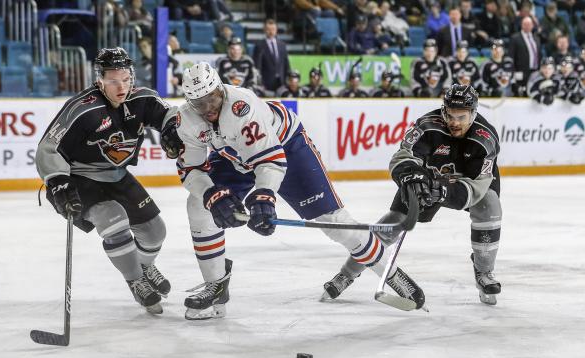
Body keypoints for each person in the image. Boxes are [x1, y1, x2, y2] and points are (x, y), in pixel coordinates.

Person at [163, 62, 425, 319]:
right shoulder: (185, 119)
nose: (209, 109)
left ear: (221, 89)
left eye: (213, 98)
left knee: (335, 223)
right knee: (198, 207)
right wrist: (211, 195)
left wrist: (264, 197)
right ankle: (215, 284)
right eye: (200, 104)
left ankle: (391, 274)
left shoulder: (242, 106)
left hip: (286, 146)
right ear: (189, 102)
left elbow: (270, 160)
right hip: (234, 156)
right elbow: (191, 170)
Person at [325, 84, 502, 305]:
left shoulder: (485, 139)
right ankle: (347, 273)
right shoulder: (427, 125)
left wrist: (444, 192)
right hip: (426, 179)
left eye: (462, 117)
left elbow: (477, 187)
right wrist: (411, 176)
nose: (455, 122)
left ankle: (484, 271)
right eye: (450, 114)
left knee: (489, 205)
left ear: (473, 114)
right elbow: (402, 156)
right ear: (443, 109)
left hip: (464, 186)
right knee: (392, 224)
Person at [35, 48, 176, 314]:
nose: (120, 86)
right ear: (99, 80)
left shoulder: (142, 99)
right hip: (77, 178)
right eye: (112, 80)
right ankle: (135, 281)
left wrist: (172, 130)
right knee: (114, 218)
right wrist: (58, 183)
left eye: (125, 78)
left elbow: (171, 114)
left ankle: (143, 266)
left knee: (155, 231)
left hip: (116, 175)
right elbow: (48, 147)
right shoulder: (82, 109)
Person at [253, 18, 290, 92]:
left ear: (276, 30)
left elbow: (286, 64)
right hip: (266, 84)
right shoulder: (259, 46)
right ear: (264, 30)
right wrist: (260, 83)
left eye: (273, 29)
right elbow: (257, 66)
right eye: (268, 29)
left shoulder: (282, 45)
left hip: (281, 82)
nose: (271, 31)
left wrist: (287, 80)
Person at [509, 16, 542, 96]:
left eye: (529, 24)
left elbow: (539, 55)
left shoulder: (536, 38)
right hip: (521, 72)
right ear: (521, 25)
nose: (527, 26)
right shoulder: (515, 38)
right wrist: (514, 73)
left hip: (535, 71)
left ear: (532, 26)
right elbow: (511, 57)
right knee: (521, 94)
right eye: (525, 24)